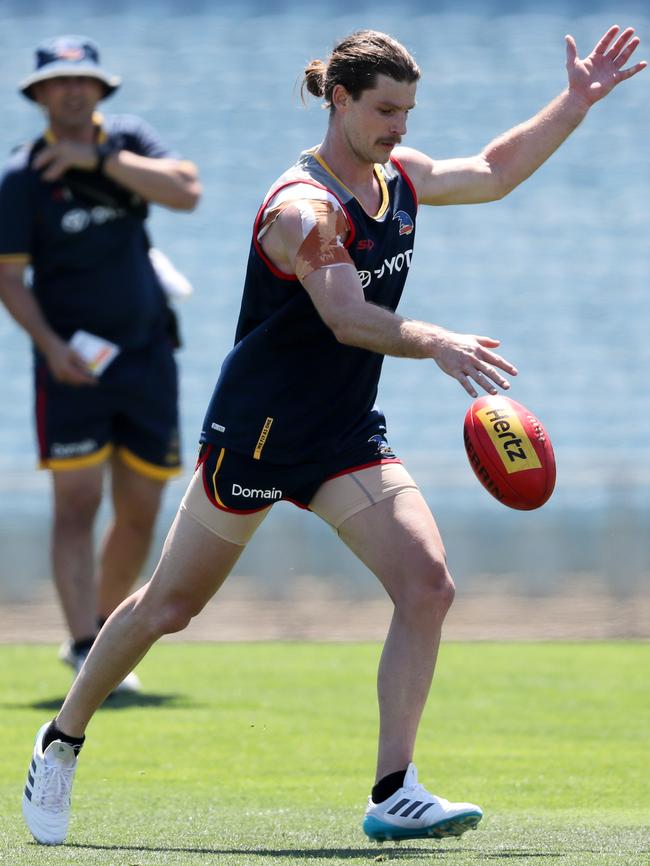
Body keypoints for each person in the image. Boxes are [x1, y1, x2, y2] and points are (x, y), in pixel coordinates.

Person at [21, 25, 644, 847]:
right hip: (261, 432)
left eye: (410, 111)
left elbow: (493, 172)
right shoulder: (301, 209)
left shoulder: (399, 178)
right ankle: (60, 741)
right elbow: (348, 318)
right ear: (338, 99)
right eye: (385, 109)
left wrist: (575, 102)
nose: (400, 127)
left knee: (428, 585)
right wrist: (437, 341)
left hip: (345, 433)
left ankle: (395, 790)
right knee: (168, 606)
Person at [0, 36, 201, 692]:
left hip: (146, 356)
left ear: (101, 89)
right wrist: (51, 348)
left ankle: (103, 634)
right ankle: (89, 647)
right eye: (58, 83)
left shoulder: (129, 140)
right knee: (76, 503)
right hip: (69, 369)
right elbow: (10, 279)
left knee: (142, 508)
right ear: (37, 97)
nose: (72, 90)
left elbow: (187, 191)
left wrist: (98, 159)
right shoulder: (20, 176)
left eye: (83, 79)